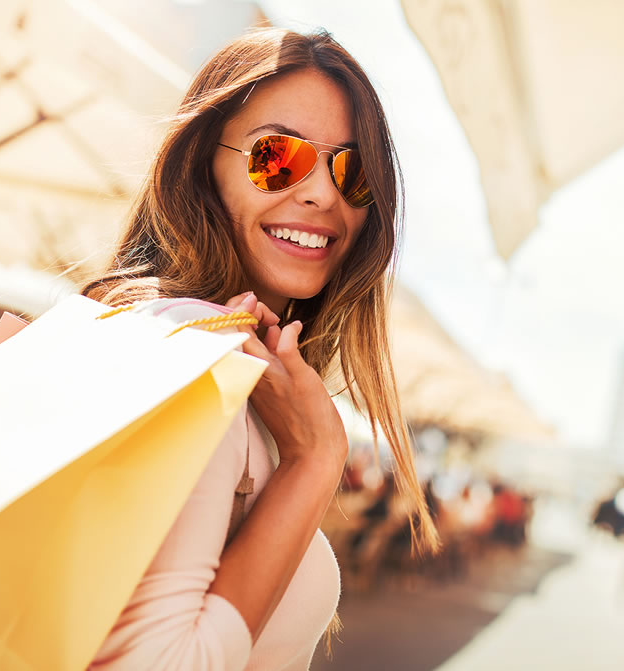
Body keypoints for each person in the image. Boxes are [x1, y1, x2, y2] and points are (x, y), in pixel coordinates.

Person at [77, 28, 439, 670]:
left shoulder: (213, 363)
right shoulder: (196, 358)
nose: (323, 194)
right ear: (201, 164)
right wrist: (315, 460)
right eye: (277, 157)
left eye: (352, 172)